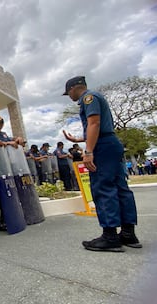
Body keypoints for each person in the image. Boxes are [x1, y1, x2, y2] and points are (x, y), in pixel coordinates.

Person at [62, 75, 141, 252]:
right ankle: (128, 233)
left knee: (103, 187)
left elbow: (95, 123)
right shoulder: (96, 96)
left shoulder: (88, 98)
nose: (69, 96)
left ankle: (110, 236)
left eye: (68, 93)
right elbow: (99, 127)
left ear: (74, 88)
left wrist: (88, 151)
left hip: (102, 147)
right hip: (110, 143)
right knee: (121, 187)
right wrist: (79, 139)